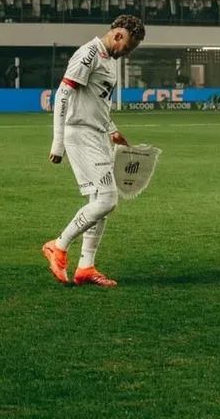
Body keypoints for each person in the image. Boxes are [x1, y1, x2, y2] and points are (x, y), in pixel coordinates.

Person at [42, 15, 146, 287]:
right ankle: (58, 245)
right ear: (118, 35)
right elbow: (63, 95)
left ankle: (85, 267)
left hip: (98, 134)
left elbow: (97, 100)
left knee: (99, 202)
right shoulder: (88, 53)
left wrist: (111, 129)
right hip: (81, 133)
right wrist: (58, 142)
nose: (127, 53)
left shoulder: (109, 59)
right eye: (128, 47)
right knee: (108, 199)